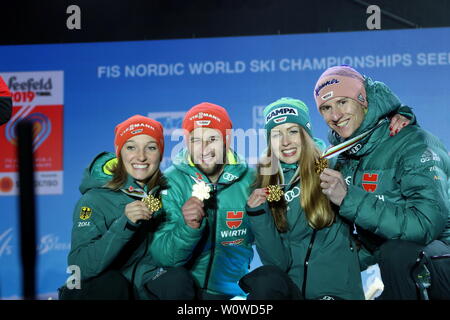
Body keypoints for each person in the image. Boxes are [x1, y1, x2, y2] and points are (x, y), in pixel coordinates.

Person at [314, 65, 450, 300]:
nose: (335, 116)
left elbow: (425, 225)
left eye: (342, 102)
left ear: (363, 100)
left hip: (439, 257)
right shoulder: (342, 155)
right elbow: (372, 238)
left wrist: (348, 197)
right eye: (326, 108)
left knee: (397, 253)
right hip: (394, 263)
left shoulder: (414, 142)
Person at [239, 97, 365, 300]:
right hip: (293, 293)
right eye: (277, 134)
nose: (285, 141)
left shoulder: (332, 167)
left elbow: (372, 221)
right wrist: (257, 214)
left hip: (336, 293)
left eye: (292, 131)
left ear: (306, 134)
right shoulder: (267, 182)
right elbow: (278, 264)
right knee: (266, 279)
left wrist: (348, 263)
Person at [60, 115, 195, 300]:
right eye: (131, 147)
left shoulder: (168, 194)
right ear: (119, 153)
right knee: (112, 283)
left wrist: (191, 226)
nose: (141, 156)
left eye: (151, 147)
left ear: (160, 154)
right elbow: (79, 268)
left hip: (144, 281)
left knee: (177, 279)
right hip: (101, 287)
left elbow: (172, 257)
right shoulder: (95, 198)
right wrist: (125, 224)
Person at [149, 102, 255, 300]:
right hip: (185, 292)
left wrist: (262, 215)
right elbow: (163, 257)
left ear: (227, 139)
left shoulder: (251, 179)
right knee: (174, 280)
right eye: (196, 140)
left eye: (212, 139)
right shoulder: (170, 181)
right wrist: (188, 227)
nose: (204, 149)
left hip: (233, 294)